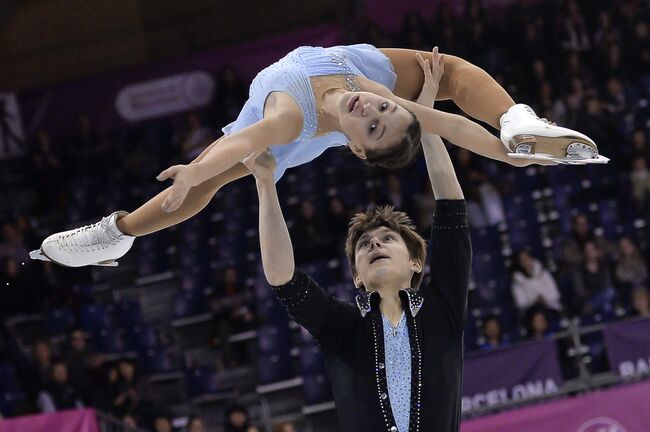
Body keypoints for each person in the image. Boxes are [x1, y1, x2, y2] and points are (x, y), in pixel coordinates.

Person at [31, 43, 603, 268]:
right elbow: (447, 121)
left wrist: (198, 166)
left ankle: (115, 233)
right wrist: (510, 148)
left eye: (374, 125)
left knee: (208, 182)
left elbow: (242, 141)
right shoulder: (374, 90)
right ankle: (519, 115)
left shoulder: (287, 121)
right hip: (315, 92)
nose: (372, 109)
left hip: (283, 124)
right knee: (444, 72)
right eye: (384, 111)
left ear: (355, 145)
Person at [246, 53, 469, 431]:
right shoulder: (344, 329)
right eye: (365, 246)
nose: (374, 245)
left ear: (417, 261)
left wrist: (425, 121)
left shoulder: (443, 309)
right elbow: (283, 279)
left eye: (386, 239)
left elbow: (451, 211)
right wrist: (266, 185)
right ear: (357, 278)